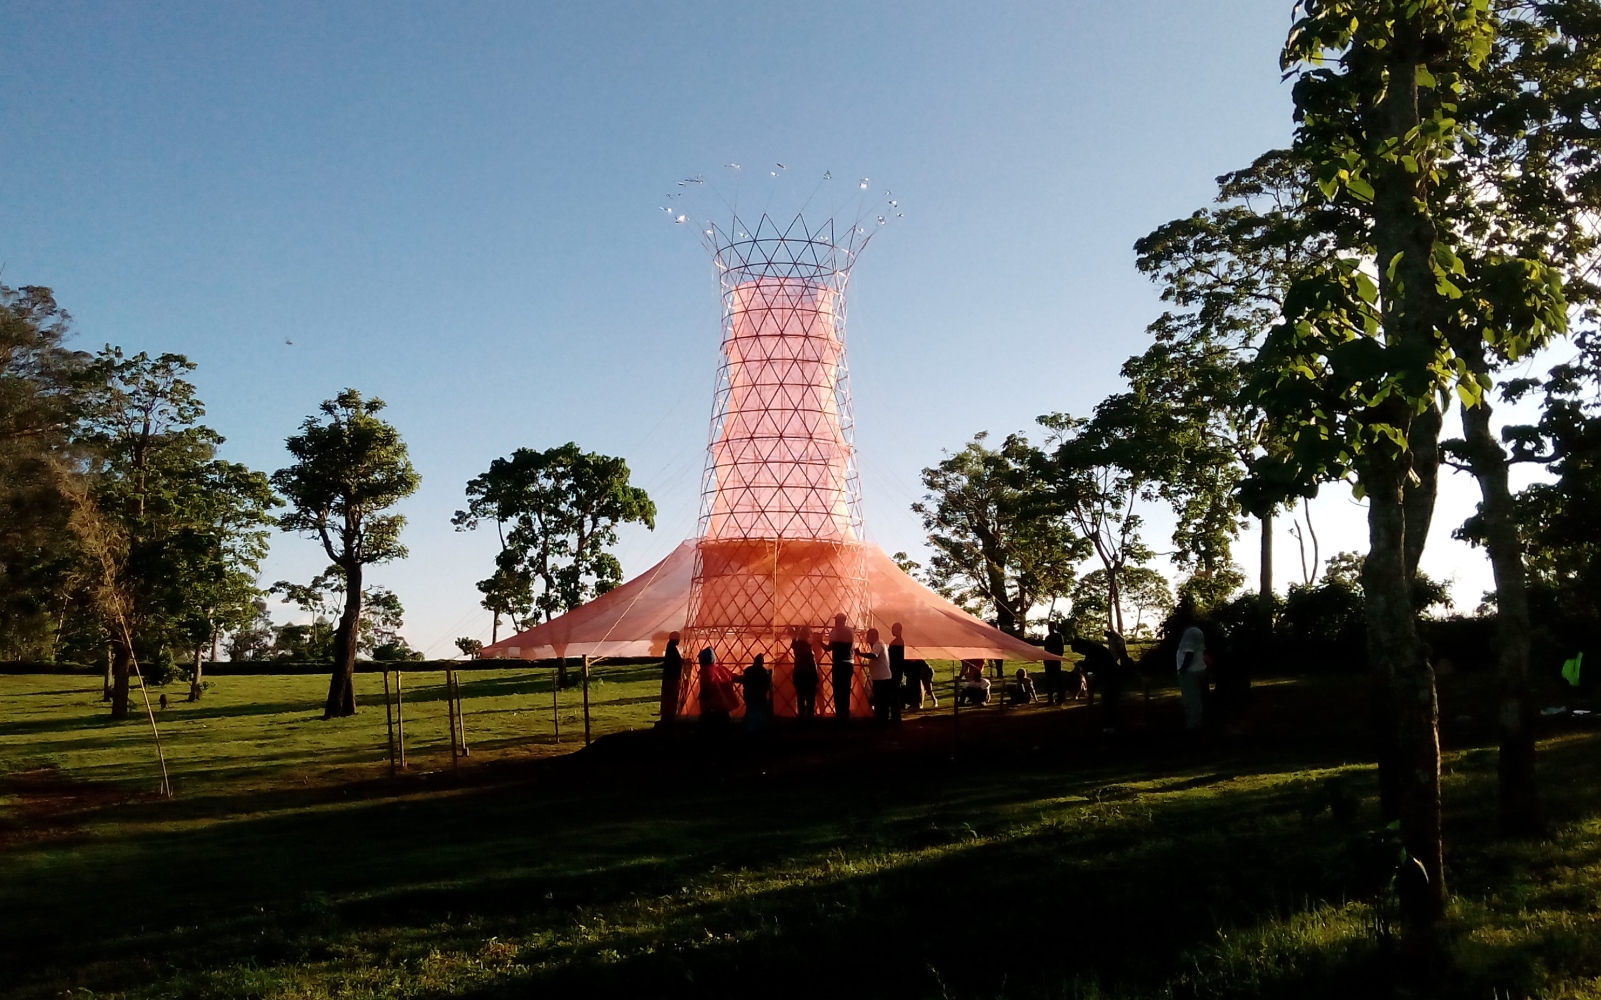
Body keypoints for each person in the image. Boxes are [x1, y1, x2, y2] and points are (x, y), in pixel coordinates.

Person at [1069, 637, 1121, 731]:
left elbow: (1097, 667)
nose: (1080, 653)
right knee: (1108, 701)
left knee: (1109, 701)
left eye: (1079, 651)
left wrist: (1084, 666)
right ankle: (1108, 724)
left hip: (1111, 676)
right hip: (1108, 676)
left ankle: (1110, 726)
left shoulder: (1094, 651)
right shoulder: (1093, 650)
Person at [857, 628, 894, 723]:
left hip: (882, 678)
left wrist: (860, 654)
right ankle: (882, 719)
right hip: (882, 677)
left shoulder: (878, 644)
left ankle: (882, 720)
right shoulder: (879, 644)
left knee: (880, 700)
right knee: (881, 700)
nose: (867, 639)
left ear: (873, 636)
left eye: (868, 636)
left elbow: (874, 655)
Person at [697, 647, 737, 732]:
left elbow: (707, 684)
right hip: (724, 712)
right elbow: (735, 677)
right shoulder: (722, 669)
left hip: (711, 713)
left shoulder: (706, 671)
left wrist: (703, 693)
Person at [1176, 625, 1208, 731]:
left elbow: (1189, 652)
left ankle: (1193, 724)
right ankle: (1197, 722)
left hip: (1190, 671)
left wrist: (1183, 668)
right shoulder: (1198, 631)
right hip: (1199, 668)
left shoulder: (1189, 633)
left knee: (1191, 698)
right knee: (1197, 697)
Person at [829, 613, 855, 721]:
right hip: (849, 664)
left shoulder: (835, 632)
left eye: (837, 620)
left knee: (838, 690)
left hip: (839, 664)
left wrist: (819, 641)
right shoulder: (850, 632)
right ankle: (845, 715)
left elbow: (829, 648)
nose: (835, 623)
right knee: (846, 691)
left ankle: (840, 716)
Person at [790, 625, 819, 719]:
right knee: (810, 700)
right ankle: (809, 718)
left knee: (801, 698)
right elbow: (812, 663)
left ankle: (802, 718)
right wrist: (816, 677)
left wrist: (796, 631)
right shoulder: (808, 646)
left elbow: (793, 641)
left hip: (799, 674)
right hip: (809, 676)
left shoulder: (797, 645)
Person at [741, 653, 772, 734]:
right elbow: (766, 684)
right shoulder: (763, 671)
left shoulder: (748, 670)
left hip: (749, 694)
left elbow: (745, 681)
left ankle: (748, 727)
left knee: (750, 710)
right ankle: (760, 727)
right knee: (760, 710)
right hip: (759, 695)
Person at [657, 631, 683, 725]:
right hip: (672, 678)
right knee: (671, 696)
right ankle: (669, 715)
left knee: (668, 696)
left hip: (669, 677)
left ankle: (667, 714)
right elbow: (676, 663)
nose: (679, 640)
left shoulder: (670, 648)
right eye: (678, 639)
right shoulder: (672, 650)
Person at [887, 623, 907, 723]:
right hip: (896, 670)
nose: (892, 630)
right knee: (894, 693)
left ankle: (896, 717)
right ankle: (895, 716)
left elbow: (893, 658)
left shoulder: (897, 643)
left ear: (899, 630)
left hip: (894, 671)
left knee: (894, 694)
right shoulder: (899, 642)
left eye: (893, 629)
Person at [1042, 625, 1066, 704]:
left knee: (1058, 680)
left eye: (1051, 627)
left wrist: (1057, 657)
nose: (1049, 629)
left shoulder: (1058, 636)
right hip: (1048, 662)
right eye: (1049, 627)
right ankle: (1051, 699)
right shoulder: (1047, 638)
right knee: (1049, 681)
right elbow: (1045, 650)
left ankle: (1060, 699)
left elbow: (1061, 649)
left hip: (1056, 661)